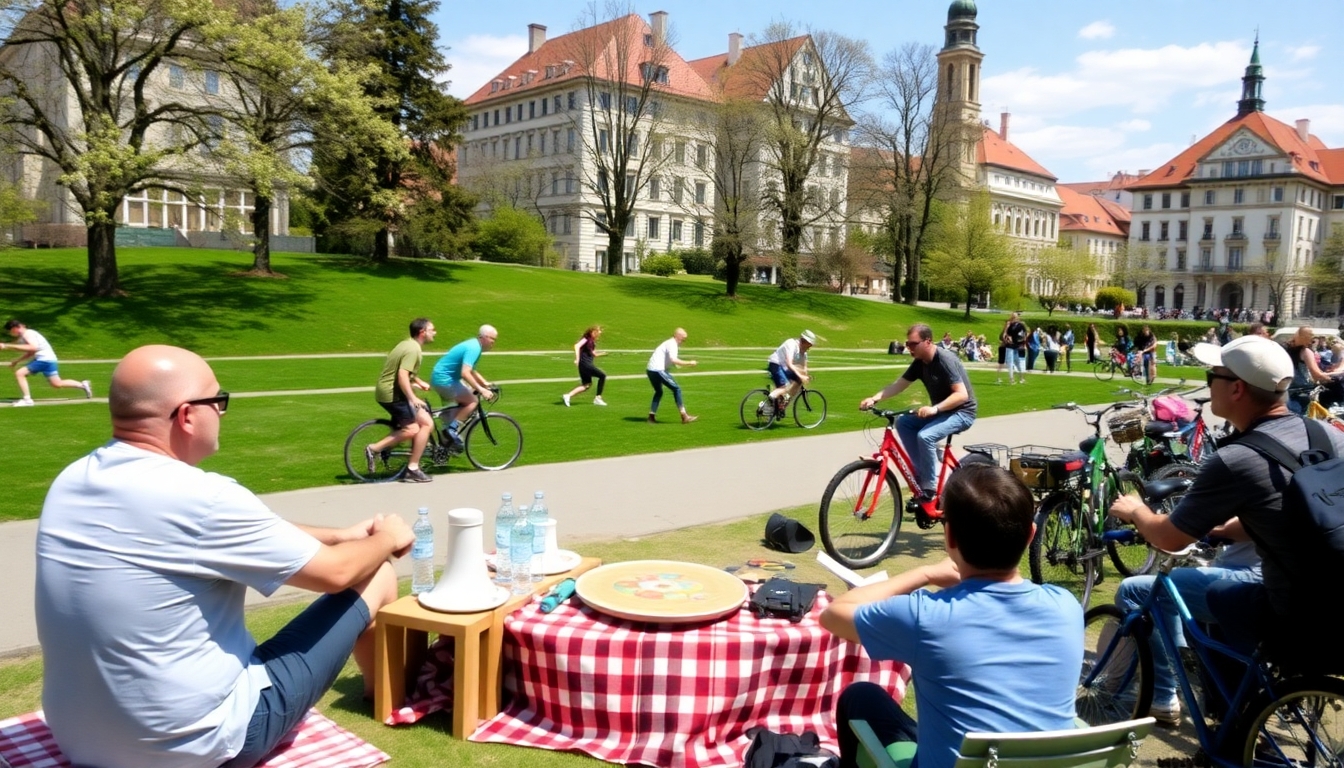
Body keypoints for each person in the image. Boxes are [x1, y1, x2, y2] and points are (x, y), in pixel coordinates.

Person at [35, 345, 413, 768]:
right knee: (374, 572)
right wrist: (387, 537)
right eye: (219, 401)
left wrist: (339, 534)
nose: (223, 412)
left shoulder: (73, 480)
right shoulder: (204, 497)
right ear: (186, 415)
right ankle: (384, 695)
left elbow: (223, 532)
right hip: (195, 744)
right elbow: (338, 573)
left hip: (79, 739)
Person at [1108, 336, 1344, 682]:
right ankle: (1244, 701)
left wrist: (1136, 511)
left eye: (1211, 378)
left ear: (1236, 389)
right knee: (1222, 596)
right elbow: (1297, 514)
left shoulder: (1236, 459)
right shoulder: (1328, 434)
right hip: (1333, 595)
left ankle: (1207, 708)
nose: (1208, 386)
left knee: (1155, 592)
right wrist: (1220, 528)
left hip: (1298, 610)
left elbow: (1169, 538)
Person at [822, 463, 1083, 768]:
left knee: (860, 697)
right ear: (1030, 535)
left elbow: (833, 614)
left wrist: (924, 573)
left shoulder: (927, 616)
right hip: (1030, 760)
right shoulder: (1067, 607)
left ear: (950, 538)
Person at [1112, 526, 1261, 726]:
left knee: (1133, 590)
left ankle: (1163, 695)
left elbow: (1186, 527)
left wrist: (1139, 518)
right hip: (1276, 579)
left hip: (1249, 580)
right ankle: (1234, 719)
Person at [859, 324, 977, 515]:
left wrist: (934, 408)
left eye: (913, 343)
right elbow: (899, 385)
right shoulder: (920, 362)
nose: (909, 348)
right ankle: (922, 473)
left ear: (928, 341)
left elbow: (962, 395)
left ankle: (929, 489)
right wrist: (874, 398)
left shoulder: (945, 359)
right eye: (907, 343)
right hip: (942, 411)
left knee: (925, 436)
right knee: (904, 422)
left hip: (962, 413)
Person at [367, 318, 437, 483]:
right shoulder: (414, 350)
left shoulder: (406, 344)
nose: (435, 333)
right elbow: (402, 375)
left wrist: (418, 382)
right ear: (422, 332)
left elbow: (403, 370)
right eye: (432, 330)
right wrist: (413, 398)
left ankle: (404, 457)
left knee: (425, 421)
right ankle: (376, 450)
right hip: (393, 395)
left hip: (388, 391)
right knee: (416, 428)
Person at [431, 325, 499, 448]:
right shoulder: (474, 348)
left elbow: (472, 370)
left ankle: (445, 446)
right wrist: (481, 390)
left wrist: (485, 383)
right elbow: (465, 373)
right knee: (472, 402)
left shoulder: (474, 346)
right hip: (445, 380)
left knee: (460, 404)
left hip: (441, 378)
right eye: (492, 339)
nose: (493, 343)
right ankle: (451, 429)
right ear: (482, 337)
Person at [3, 320, 92, 405]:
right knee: (57, 384)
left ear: (14, 328)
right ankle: (83, 385)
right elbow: (31, 352)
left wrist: (7, 346)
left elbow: (33, 347)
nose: (11, 334)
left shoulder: (28, 333)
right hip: (49, 359)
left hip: (43, 359)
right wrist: (17, 361)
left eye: (10, 331)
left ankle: (27, 400)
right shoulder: (28, 334)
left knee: (20, 373)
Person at [646, 328, 698, 424]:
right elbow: (673, 359)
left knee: (658, 392)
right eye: (683, 339)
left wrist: (677, 365)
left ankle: (651, 416)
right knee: (676, 389)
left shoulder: (669, 343)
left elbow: (669, 361)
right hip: (658, 370)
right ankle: (684, 416)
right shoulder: (672, 344)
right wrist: (690, 363)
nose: (683, 341)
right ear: (677, 336)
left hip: (650, 370)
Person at [1283, 325, 1336, 414]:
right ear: (1302, 336)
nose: (1312, 337)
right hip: (1302, 391)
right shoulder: (1306, 352)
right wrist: (1334, 376)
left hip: (1286, 391)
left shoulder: (1285, 348)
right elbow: (1317, 375)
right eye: (1310, 335)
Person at [766, 329, 816, 408]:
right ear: (805, 341)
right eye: (809, 345)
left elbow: (804, 368)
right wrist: (801, 375)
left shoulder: (803, 351)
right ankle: (771, 396)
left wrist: (805, 376)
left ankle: (783, 403)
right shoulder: (791, 344)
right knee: (784, 387)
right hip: (776, 364)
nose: (810, 347)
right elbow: (789, 364)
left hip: (784, 367)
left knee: (798, 380)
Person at [562, 325, 608, 407]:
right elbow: (576, 346)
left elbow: (593, 354)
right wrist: (577, 359)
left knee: (587, 384)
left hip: (584, 364)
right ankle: (598, 398)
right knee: (602, 376)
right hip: (585, 364)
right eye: (598, 331)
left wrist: (603, 354)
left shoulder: (592, 342)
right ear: (593, 332)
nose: (599, 333)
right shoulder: (586, 339)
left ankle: (568, 396)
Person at [1003, 313, 1028, 384]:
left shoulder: (1021, 325)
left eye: (1015, 317)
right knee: (1010, 362)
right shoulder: (1009, 325)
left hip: (1016, 346)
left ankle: (1021, 378)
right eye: (1013, 317)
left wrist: (1023, 343)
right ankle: (1011, 379)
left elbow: (1025, 334)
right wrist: (1007, 336)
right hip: (1010, 346)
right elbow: (1004, 335)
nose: (1014, 319)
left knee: (1017, 362)